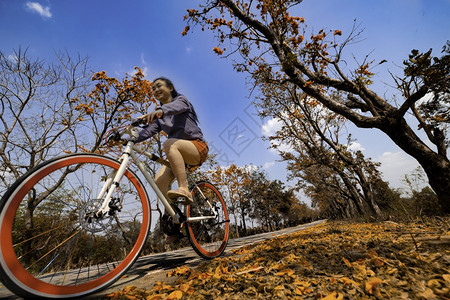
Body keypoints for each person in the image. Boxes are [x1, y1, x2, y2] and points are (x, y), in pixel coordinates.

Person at [135, 77, 209, 205]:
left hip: (197, 147)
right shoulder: (159, 117)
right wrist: (128, 139)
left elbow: (175, 107)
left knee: (169, 144)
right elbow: (147, 132)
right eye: (153, 89)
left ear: (170, 88)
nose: (156, 90)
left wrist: (161, 111)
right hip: (177, 153)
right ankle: (175, 215)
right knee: (159, 182)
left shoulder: (181, 100)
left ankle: (184, 188)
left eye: (159, 86)